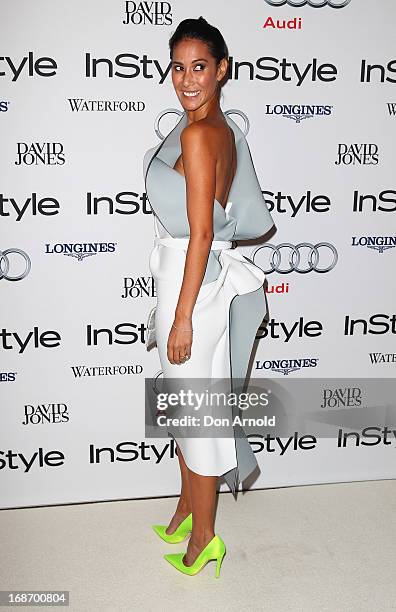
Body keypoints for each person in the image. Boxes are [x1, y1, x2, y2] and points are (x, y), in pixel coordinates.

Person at [143, 16, 275, 577]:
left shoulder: (199, 136)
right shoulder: (213, 128)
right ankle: (184, 509)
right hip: (195, 279)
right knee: (186, 409)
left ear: (222, 70)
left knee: (197, 418)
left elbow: (201, 233)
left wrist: (181, 318)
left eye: (200, 66)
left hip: (192, 284)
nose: (186, 78)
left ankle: (205, 539)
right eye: (178, 66)